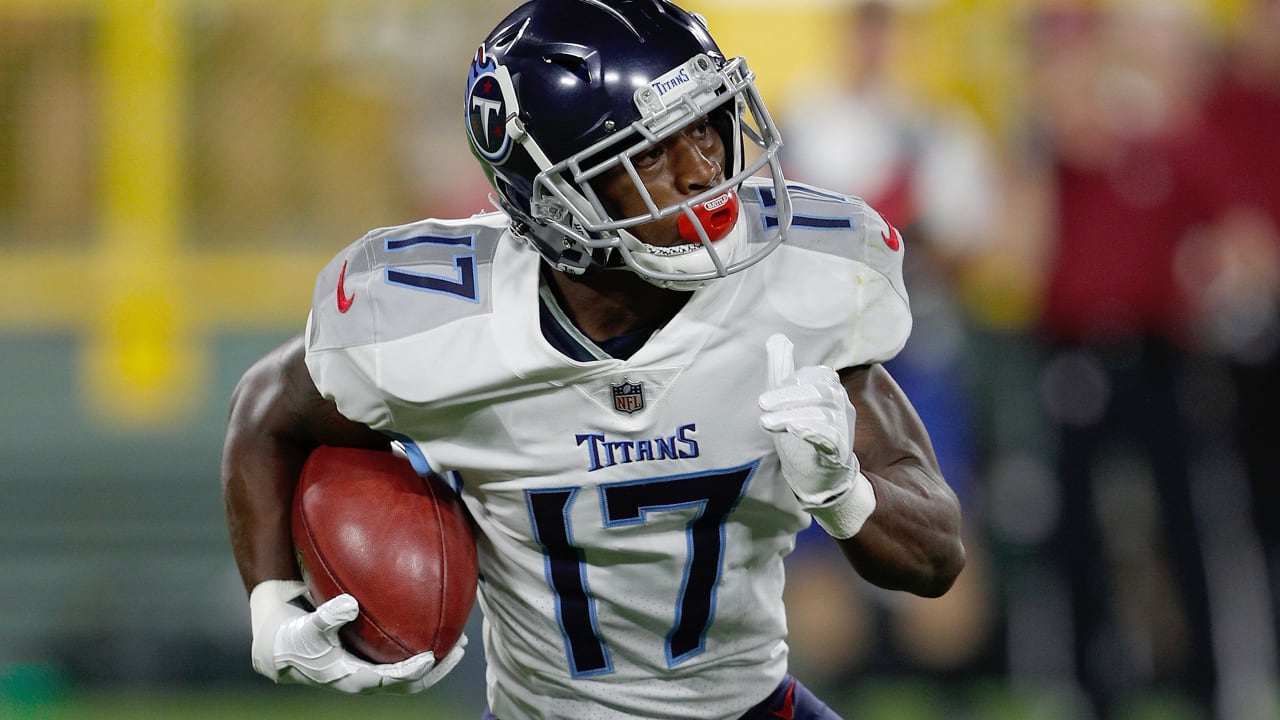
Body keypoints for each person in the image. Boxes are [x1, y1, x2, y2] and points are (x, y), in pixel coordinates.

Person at [220, 1, 965, 718]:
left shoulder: (800, 284)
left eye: (707, 126)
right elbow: (266, 411)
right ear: (555, 199)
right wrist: (272, 604)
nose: (706, 170)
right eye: (651, 150)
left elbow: (939, 557)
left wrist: (848, 494)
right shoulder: (432, 324)